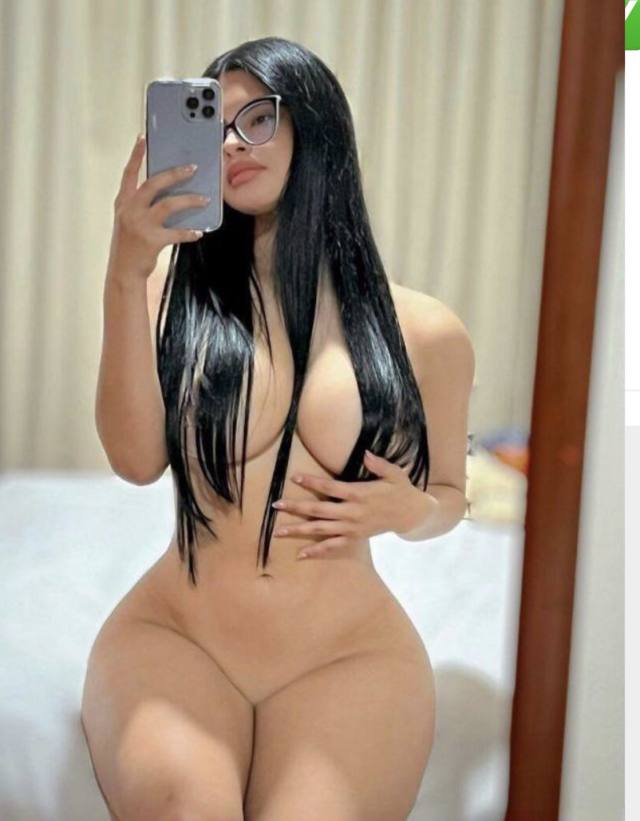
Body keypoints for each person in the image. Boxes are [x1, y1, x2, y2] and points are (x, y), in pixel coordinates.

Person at [81, 36, 474, 821]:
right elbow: (134, 460)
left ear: (315, 126)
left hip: (346, 653)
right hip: (178, 636)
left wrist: (413, 510)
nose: (232, 143)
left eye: (257, 118)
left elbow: (451, 497)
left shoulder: (425, 331)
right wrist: (124, 273)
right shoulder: (165, 294)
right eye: (214, 124)